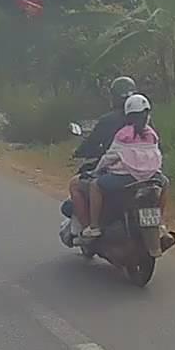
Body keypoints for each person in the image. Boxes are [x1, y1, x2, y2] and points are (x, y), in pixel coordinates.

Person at [81, 93, 164, 239]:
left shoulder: (124, 134)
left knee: (95, 186)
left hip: (126, 178)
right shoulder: (152, 134)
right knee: (165, 184)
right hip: (152, 177)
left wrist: (97, 170)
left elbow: (110, 157)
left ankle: (94, 227)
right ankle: (160, 224)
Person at [68, 76, 137, 236]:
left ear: (114, 97)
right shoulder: (144, 121)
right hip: (145, 173)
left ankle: (90, 228)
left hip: (118, 172)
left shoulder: (109, 121)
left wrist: (78, 152)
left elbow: (93, 144)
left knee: (78, 185)